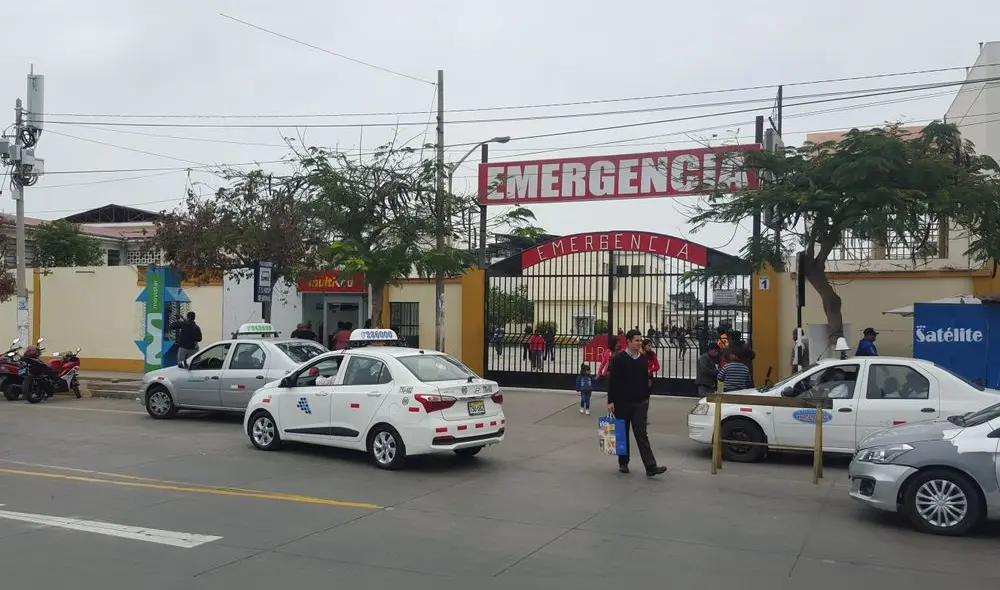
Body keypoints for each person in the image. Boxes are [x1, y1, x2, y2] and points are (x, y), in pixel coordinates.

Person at [606, 329, 668, 477]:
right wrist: (611, 401)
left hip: (639, 402)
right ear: (628, 341)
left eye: (641, 340)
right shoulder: (619, 358)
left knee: (641, 433)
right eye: (637, 340)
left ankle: (650, 466)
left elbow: (644, 380)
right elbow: (613, 381)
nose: (640, 343)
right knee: (622, 432)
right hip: (622, 402)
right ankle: (623, 462)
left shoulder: (642, 359)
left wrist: (646, 399)